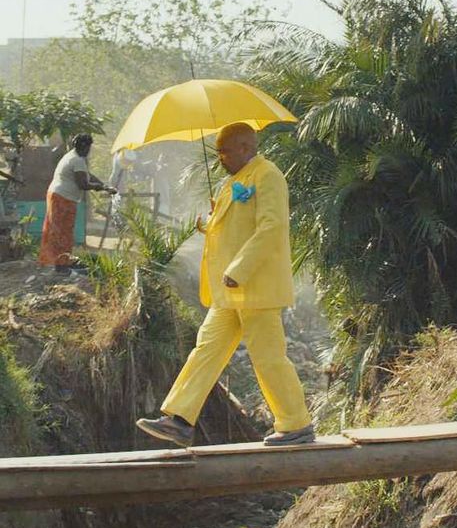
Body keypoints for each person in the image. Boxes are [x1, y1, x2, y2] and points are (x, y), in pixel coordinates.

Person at [136, 122, 314, 447]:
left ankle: (296, 423)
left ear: (246, 148)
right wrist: (212, 222)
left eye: (224, 151)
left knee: (268, 357)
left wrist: (240, 269)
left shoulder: (268, 175)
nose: (219, 158)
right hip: (229, 292)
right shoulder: (233, 182)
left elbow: (272, 227)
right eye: (218, 152)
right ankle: (179, 418)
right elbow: (236, 228)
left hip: (255, 287)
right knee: (206, 349)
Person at [39, 134, 115, 274]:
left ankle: (59, 262)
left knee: (58, 230)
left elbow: (87, 175)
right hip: (63, 198)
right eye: (89, 147)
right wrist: (100, 187)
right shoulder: (78, 159)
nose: (89, 150)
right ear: (85, 146)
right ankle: (62, 265)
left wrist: (104, 185)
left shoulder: (72, 156)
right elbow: (84, 184)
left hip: (58, 195)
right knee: (63, 231)